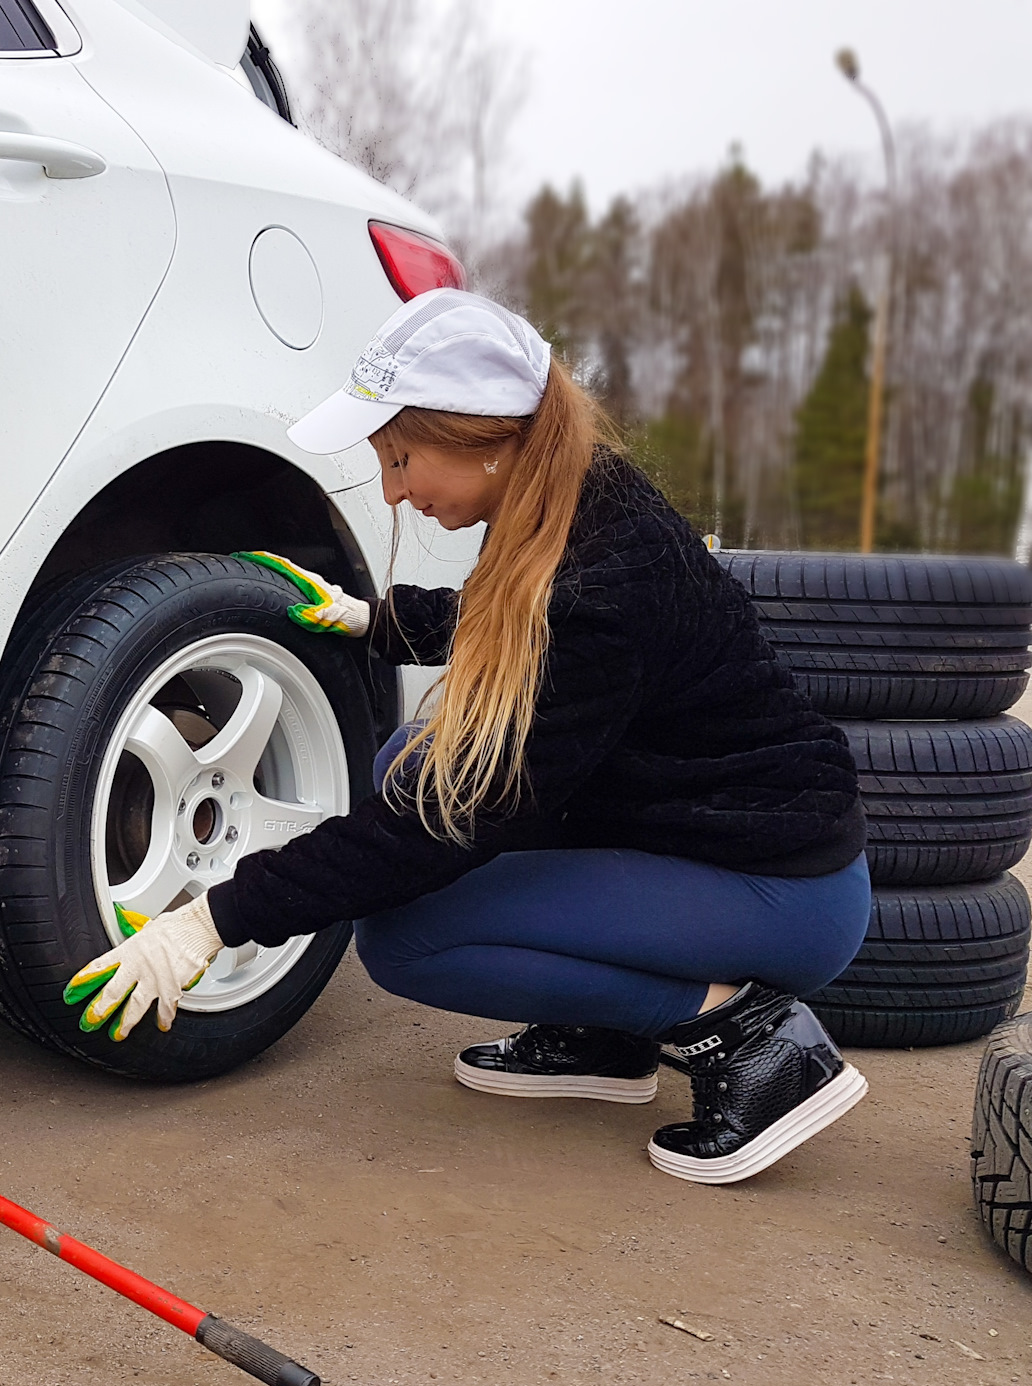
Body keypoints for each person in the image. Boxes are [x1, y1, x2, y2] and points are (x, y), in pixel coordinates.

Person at [61, 289, 872, 1185]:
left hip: (777, 888)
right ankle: (603, 1038)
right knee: (402, 765)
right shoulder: (574, 498)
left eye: (403, 457)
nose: (395, 491)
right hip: (680, 824)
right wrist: (376, 620)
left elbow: (445, 822)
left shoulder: (608, 579)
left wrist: (213, 920)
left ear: (487, 438)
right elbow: (520, 624)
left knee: (412, 940)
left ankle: (755, 1038)